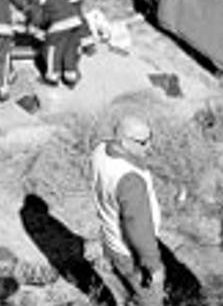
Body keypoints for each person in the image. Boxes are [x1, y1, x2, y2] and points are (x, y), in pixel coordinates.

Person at [90, 116, 165, 306]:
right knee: (150, 299)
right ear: (123, 141)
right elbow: (138, 229)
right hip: (129, 252)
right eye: (142, 142)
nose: (149, 146)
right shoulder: (130, 180)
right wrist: (152, 265)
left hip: (109, 238)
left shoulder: (100, 150)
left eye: (150, 138)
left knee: (122, 291)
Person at [26, 0, 83, 88]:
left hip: (60, 23)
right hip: (75, 22)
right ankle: (71, 76)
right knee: (69, 49)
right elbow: (51, 12)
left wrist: (32, 28)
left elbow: (37, 16)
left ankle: (52, 77)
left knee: (51, 48)